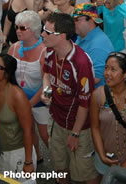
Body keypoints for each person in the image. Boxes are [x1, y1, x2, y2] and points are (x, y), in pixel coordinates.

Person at [40, 12, 97, 184]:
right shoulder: (50, 52)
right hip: (57, 120)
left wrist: (75, 133)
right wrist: (46, 89)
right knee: (60, 168)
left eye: (48, 32)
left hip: (78, 126)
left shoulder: (80, 62)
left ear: (62, 36)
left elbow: (84, 103)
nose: (42, 34)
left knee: (86, 174)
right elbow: (47, 73)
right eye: (44, 30)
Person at [89, 52, 126, 176]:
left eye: (113, 69)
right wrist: (102, 156)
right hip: (105, 159)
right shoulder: (97, 96)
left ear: (125, 74)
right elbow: (95, 127)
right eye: (106, 68)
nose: (107, 73)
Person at [6, 10, 49, 161]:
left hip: (40, 103)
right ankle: (37, 157)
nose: (18, 31)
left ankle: (61, 165)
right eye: (17, 27)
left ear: (35, 30)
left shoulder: (44, 52)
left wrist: (29, 104)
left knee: (45, 135)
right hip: (21, 101)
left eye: (22, 28)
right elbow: (8, 76)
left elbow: (46, 84)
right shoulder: (14, 48)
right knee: (28, 131)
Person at [73, 3, 114, 88]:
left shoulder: (98, 45)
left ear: (91, 20)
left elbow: (95, 78)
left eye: (77, 19)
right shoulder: (82, 36)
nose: (73, 23)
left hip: (94, 96)